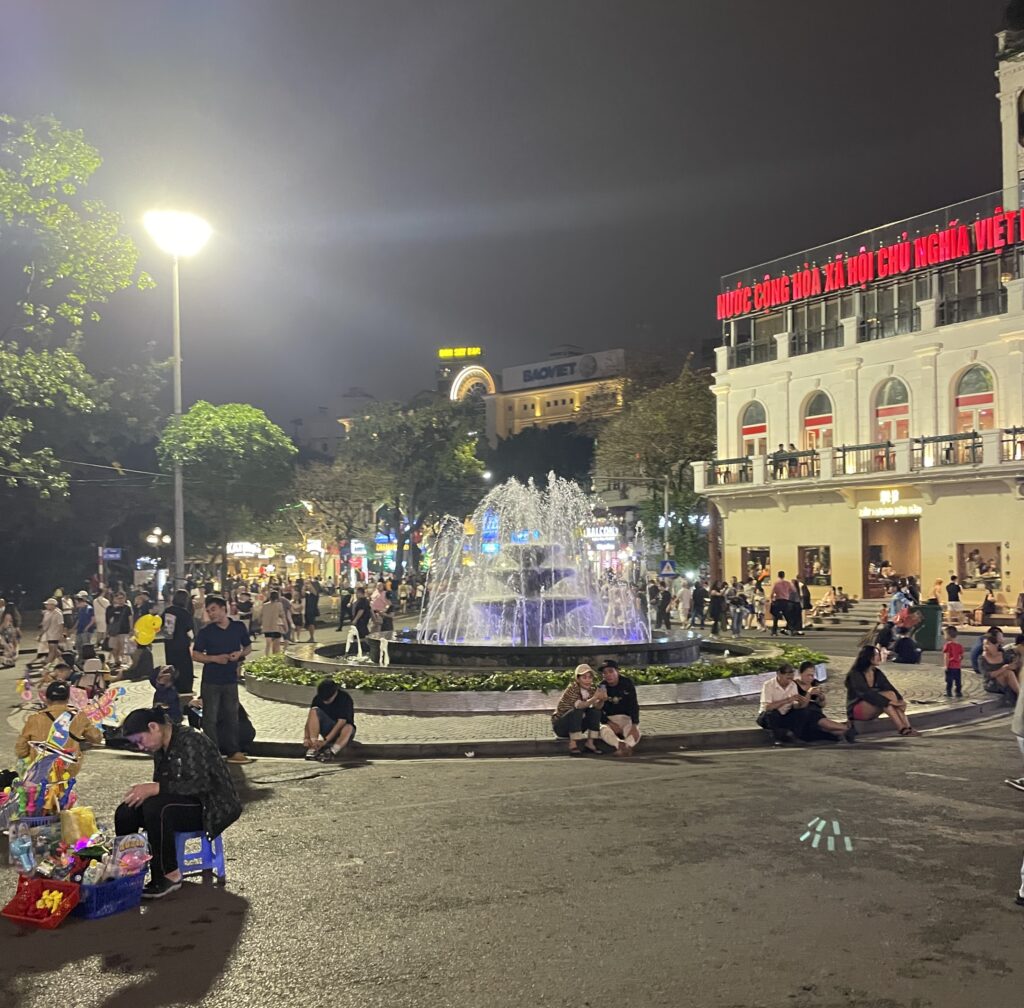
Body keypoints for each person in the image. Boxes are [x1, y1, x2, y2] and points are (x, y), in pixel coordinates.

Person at [116, 706, 242, 899]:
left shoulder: (191, 740)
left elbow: (202, 784)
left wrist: (154, 788)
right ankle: (129, 871)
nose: (141, 748)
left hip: (211, 805)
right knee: (126, 810)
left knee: (157, 808)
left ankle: (168, 875)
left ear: (154, 727)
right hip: (180, 802)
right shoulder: (160, 748)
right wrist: (147, 791)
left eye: (140, 741)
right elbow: (165, 786)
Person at [191, 595, 253, 765]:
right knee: (210, 717)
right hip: (211, 680)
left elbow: (248, 647)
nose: (211, 614)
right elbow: (196, 654)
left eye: (214, 609)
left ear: (223, 609)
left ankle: (233, 751)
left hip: (230, 679)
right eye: (209, 611)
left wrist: (239, 654)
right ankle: (213, 752)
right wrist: (213, 658)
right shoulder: (206, 632)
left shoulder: (238, 627)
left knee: (231, 715)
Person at [15, 680, 103, 765]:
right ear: (68, 698)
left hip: (40, 768)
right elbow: (96, 738)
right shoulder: (79, 716)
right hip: (68, 768)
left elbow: (21, 751)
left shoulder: (34, 719)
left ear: (47, 699)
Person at [845, 645, 918, 736]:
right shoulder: (855, 674)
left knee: (890, 694)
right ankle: (902, 728)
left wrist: (900, 701)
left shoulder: (877, 673)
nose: (879, 657)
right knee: (886, 702)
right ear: (868, 657)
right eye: (876, 654)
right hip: (857, 709)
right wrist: (890, 702)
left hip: (874, 705)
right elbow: (865, 693)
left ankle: (907, 727)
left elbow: (890, 688)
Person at [794, 662, 856, 743]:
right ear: (800, 673)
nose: (810, 678)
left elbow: (822, 705)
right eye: (807, 675)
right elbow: (799, 705)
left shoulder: (814, 683)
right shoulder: (795, 685)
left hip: (817, 712)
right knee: (822, 723)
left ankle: (845, 732)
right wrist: (809, 693)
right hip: (806, 714)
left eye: (812, 675)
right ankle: (847, 728)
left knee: (828, 728)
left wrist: (821, 698)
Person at [551, 664, 604, 755]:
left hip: (578, 725)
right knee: (577, 711)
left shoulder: (591, 689)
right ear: (578, 679)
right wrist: (594, 698)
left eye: (590, 677)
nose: (588, 680)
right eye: (584, 677)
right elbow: (579, 706)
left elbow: (597, 706)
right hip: (562, 726)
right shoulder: (573, 688)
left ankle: (590, 743)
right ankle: (573, 744)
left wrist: (602, 699)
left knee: (595, 712)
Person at [303, 678, 356, 762]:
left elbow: (341, 723)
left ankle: (332, 751)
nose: (325, 701)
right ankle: (314, 746)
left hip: (343, 732)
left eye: (328, 699)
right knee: (314, 710)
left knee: (348, 727)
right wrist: (306, 737)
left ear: (335, 693)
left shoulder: (344, 698)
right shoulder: (318, 698)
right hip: (327, 728)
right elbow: (310, 718)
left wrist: (325, 741)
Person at [596, 660, 641, 756]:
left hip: (625, 718)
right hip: (609, 719)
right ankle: (621, 746)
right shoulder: (601, 686)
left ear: (617, 671)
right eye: (604, 673)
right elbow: (598, 710)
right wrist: (610, 723)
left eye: (611, 671)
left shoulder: (627, 683)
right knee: (603, 730)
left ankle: (625, 746)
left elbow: (634, 705)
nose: (608, 675)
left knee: (635, 731)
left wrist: (634, 724)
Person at [756, 664, 805, 745]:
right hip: (767, 717)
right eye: (788, 674)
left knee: (803, 712)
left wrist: (801, 702)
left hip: (785, 715)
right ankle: (778, 738)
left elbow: (795, 706)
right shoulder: (768, 685)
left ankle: (796, 736)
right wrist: (787, 700)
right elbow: (768, 707)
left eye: (792, 673)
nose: (791, 676)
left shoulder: (793, 685)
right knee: (772, 714)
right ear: (779, 673)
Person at [161, 589, 196, 694]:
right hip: (182, 643)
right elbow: (189, 628)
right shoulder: (185, 613)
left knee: (172, 665)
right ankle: (185, 687)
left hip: (169, 642)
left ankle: (172, 685)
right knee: (184, 666)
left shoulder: (167, 611)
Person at [979, 630, 1020, 701]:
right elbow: (988, 675)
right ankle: (1020, 695)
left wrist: (1013, 665)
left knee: (1012, 672)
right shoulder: (982, 658)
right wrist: (1003, 668)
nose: (985, 646)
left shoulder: (1003, 654)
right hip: (991, 683)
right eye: (984, 644)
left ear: (995, 645)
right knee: (1008, 673)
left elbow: (1013, 665)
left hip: (1006, 679)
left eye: (988, 644)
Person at [106, 591, 133, 668]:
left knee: (122, 647)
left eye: (122, 598)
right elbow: (108, 620)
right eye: (118, 598)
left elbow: (130, 618)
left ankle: (121, 661)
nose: (120, 600)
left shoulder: (127, 608)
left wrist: (131, 629)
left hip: (124, 630)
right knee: (114, 648)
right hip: (113, 632)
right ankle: (116, 660)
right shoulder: (110, 608)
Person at [39, 597, 65, 665]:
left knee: (52, 650)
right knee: (55, 650)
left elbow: (61, 624)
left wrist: (61, 634)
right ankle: (63, 660)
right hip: (49, 634)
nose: (46, 605)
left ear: (53, 605)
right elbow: (44, 624)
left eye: (48, 604)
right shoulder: (47, 613)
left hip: (55, 634)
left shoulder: (58, 613)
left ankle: (47, 662)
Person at [260, 590, 287, 655]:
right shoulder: (279, 605)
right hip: (276, 626)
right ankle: (275, 658)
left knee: (268, 644)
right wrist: (285, 626)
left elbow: (261, 615)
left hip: (266, 627)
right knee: (276, 644)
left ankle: (266, 657)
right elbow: (282, 616)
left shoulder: (265, 605)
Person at [770, 571, 796, 636]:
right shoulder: (788, 583)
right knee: (787, 616)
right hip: (786, 601)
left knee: (775, 617)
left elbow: (772, 592)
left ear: (778, 575)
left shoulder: (776, 583)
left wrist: (771, 599)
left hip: (778, 600)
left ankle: (774, 631)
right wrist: (787, 593)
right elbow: (793, 590)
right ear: (784, 575)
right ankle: (792, 630)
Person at [942, 625, 964, 698]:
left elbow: (946, 656)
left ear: (948, 635)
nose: (944, 636)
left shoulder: (947, 645)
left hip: (950, 665)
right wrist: (958, 661)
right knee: (958, 680)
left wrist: (946, 665)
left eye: (944, 634)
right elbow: (961, 656)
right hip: (957, 666)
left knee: (949, 680)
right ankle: (958, 692)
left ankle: (948, 692)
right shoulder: (959, 645)